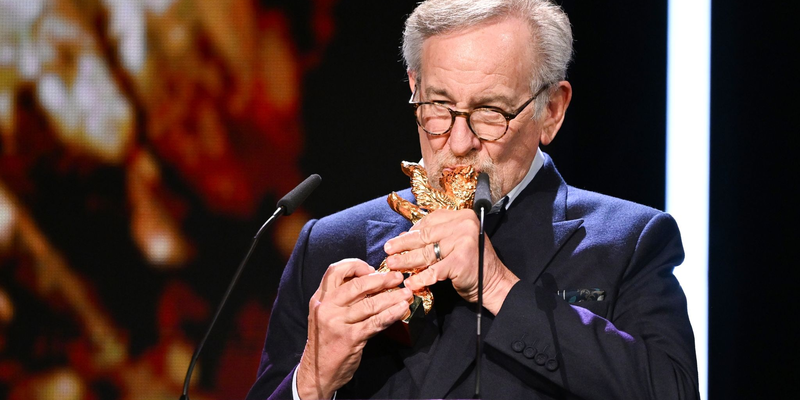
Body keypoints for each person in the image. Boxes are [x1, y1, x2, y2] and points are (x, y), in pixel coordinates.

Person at [246, 0, 699, 399]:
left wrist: (500, 287)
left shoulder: (630, 242)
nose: (458, 142)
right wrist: (310, 385)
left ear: (552, 111)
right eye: (439, 106)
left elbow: (671, 391)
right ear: (413, 88)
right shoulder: (328, 244)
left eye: (490, 112)